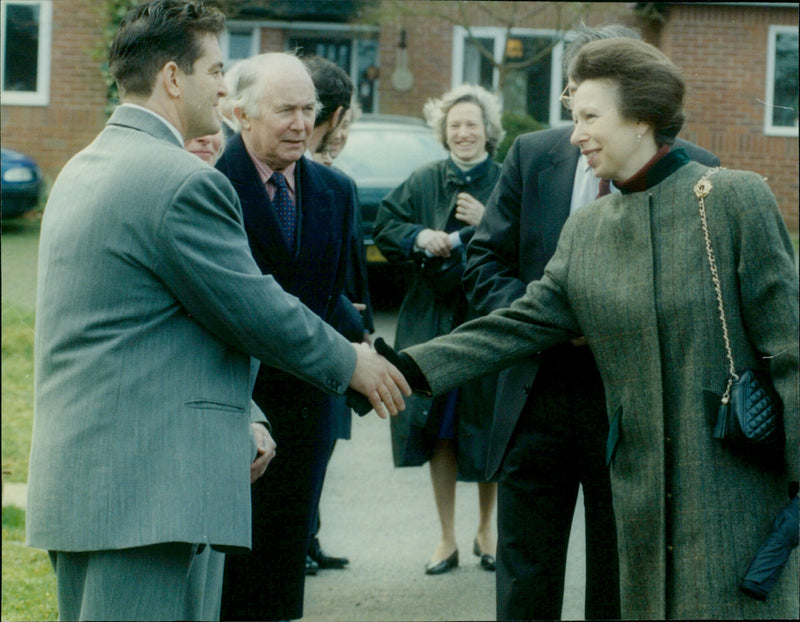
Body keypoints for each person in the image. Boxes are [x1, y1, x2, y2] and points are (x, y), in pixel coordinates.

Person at [391, 37, 799, 619]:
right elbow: (514, 326)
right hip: (635, 485)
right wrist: (399, 369)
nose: (575, 132)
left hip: (730, 490)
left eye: (589, 116)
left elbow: (790, 351)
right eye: (573, 116)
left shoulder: (733, 198)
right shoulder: (588, 230)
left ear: (641, 117)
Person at [25, 3, 409, 621]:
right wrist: (354, 363)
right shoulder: (181, 180)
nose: (225, 86)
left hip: (91, 486)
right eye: (216, 68)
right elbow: (254, 306)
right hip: (152, 493)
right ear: (174, 78)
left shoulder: (82, 166)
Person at [462, 23, 721, 621]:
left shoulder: (698, 170)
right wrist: (542, 318)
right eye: (571, 98)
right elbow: (483, 260)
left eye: (591, 102)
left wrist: (617, 321)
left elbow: (701, 290)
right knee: (525, 580)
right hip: (536, 400)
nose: (579, 124)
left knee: (621, 578)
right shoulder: (533, 155)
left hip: (634, 408)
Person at [214, 52, 363, 621]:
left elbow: (330, 301)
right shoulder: (208, 185)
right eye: (285, 111)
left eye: (309, 110)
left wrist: (375, 357)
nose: (301, 124)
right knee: (228, 583)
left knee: (282, 581)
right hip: (234, 411)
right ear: (240, 113)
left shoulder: (335, 190)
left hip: (306, 414)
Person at [372, 84, 504, 575]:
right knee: (439, 431)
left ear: (488, 130)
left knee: (490, 427)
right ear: (443, 132)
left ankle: (487, 531)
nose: (464, 133)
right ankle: (446, 537)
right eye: (455, 126)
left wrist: (487, 220)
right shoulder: (424, 178)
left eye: (472, 124)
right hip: (430, 322)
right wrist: (416, 236)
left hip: (488, 319)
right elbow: (386, 226)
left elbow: (533, 239)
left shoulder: (507, 178)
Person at [307, 95, 374, 574]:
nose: (345, 130)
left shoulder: (336, 181)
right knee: (311, 445)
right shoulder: (313, 184)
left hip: (346, 329)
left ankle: (309, 537)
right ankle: (302, 539)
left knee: (324, 449)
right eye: (343, 120)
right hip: (325, 337)